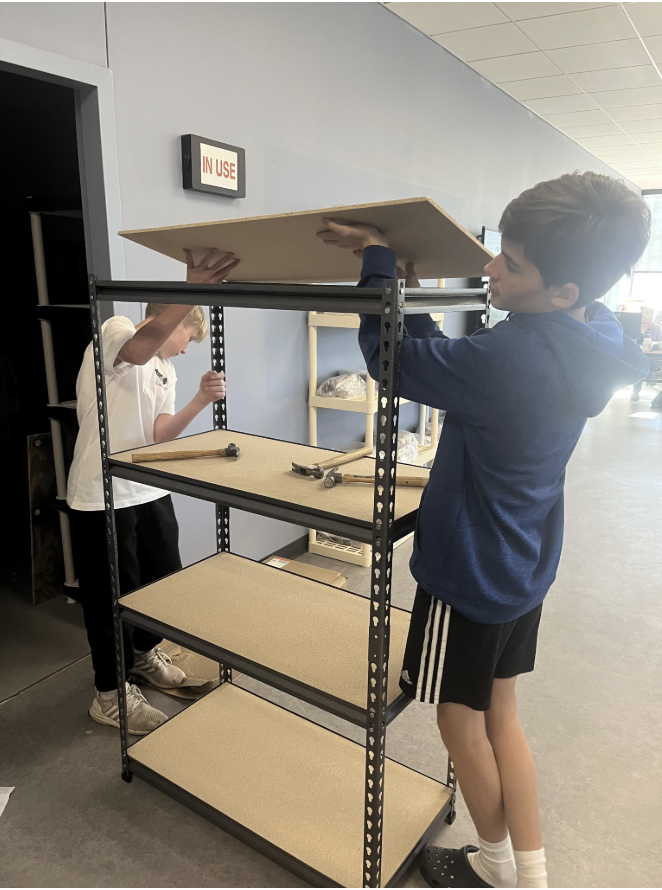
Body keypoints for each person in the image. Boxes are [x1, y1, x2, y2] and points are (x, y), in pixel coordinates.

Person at [317, 172, 649, 889]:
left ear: (561, 290)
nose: (491, 268)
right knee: (502, 715)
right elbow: (453, 368)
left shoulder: (513, 356)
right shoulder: (590, 334)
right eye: (502, 250)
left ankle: (499, 867)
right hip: (523, 565)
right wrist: (409, 291)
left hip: (469, 572)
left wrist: (377, 263)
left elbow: (391, 362)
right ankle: (528, 874)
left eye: (513, 264)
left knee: (458, 722)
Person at [67, 249, 239, 735]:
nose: (186, 349)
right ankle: (109, 694)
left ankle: (141, 656)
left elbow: (160, 433)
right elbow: (139, 350)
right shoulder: (117, 331)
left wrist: (200, 400)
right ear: (175, 319)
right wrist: (192, 293)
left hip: (147, 487)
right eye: (189, 336)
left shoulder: (167, 369)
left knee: (163, 582)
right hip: (101, 494)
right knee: (110, 597)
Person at [631, 306, 662, 401]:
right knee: (639, 364)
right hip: (637, 357)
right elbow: (631, 343)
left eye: (649, 323)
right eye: (643, 322)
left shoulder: (656, 328)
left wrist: (654, 346)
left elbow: (660, 343)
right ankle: (636, 391)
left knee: (643, 364)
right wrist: (641, 331)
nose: (646, 325)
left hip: (653, 358)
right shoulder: (633, 327)